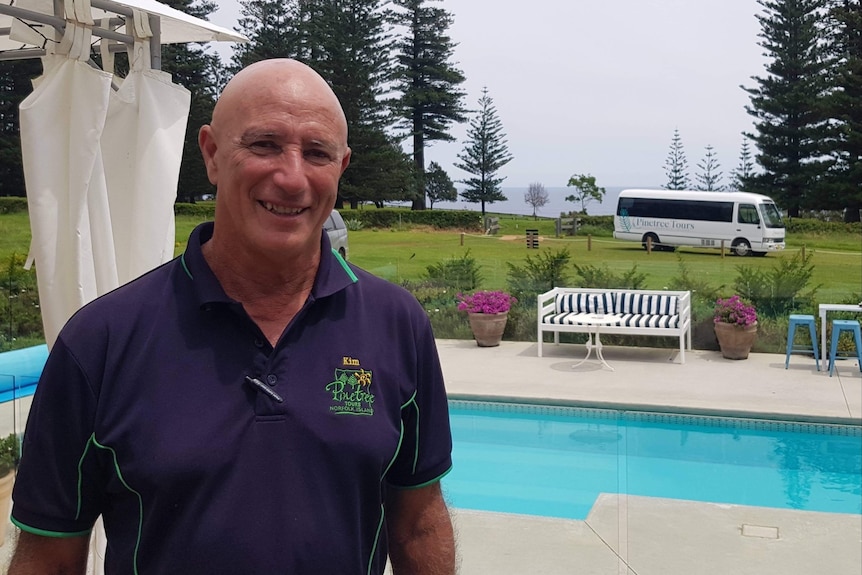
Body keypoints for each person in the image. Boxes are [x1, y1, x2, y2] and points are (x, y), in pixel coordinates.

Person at [8, 58, 455, 574]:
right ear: (212, 154)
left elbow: (418, 523)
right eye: (264, 145)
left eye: (316, 153)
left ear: (342, 168)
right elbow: (49, 555)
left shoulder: (397, 325)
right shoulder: (101, 341)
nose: (291, 177)